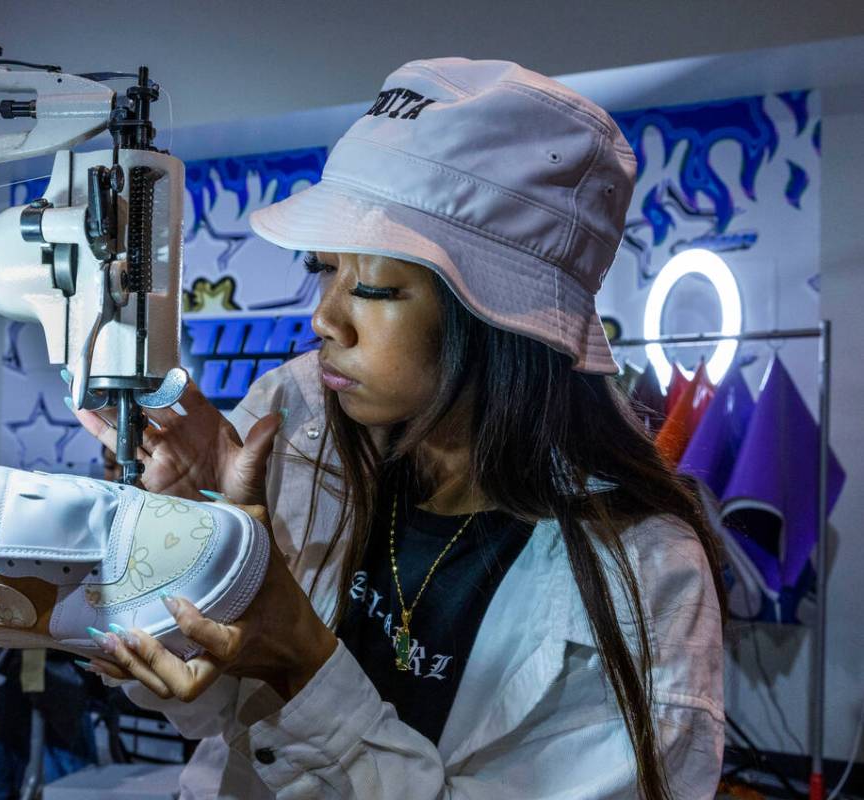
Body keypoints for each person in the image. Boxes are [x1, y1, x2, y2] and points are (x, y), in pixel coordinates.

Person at [71, 58, 725, 799]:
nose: (325, 318)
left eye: (375, 286)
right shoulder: (297, 420)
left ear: (499, 318)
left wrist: (303, 664)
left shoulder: (642, 579)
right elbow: (212, 713)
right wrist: (183, 556)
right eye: (323, 269)